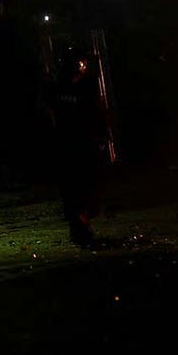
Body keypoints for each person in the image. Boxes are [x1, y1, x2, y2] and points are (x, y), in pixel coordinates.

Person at [43, 43, 112, 247]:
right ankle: (80, 223)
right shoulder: (60, 89)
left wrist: (101, 134)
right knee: (77, 186)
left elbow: (96, 113)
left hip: (78, 143)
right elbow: (50, 116)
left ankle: (81, 220)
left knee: (86, 184)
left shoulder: (83, 87)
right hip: (71, 144)